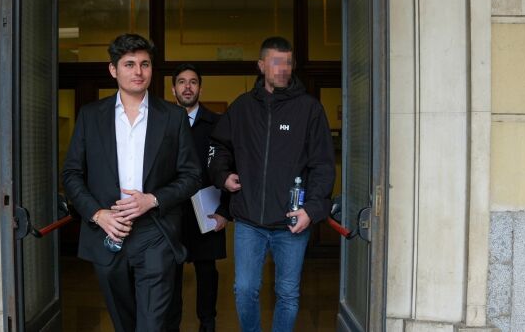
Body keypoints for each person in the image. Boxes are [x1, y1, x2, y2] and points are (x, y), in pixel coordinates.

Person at [61, 33, 201, 332]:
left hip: (155, 231)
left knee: (152, 324)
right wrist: (98, 214)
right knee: (124, 323)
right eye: (129, 64)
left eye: (145, 64)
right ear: (113, 69)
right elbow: (71, 174)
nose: (138, 71)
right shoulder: (91, 116)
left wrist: (153, 199)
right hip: (107, 231)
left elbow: (192, 176)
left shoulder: (173, 117)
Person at [208, 36, 335, 332]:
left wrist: (311, 210)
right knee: (244, 290)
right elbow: (217, 145)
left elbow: (323, 165)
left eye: (288, 62)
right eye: (276, 62)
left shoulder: (309, 110)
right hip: (249, 221)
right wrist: (222, 175)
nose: (283, 68)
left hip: (291, 222)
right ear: (261, 65)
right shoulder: (242, 107)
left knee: (287, 294)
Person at [166, 64, 229, 332]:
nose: (187, 87)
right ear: (173, 89)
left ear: (200, 88)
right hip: (170, 212)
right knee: (170, 273)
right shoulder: (162, 123)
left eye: (193, 82)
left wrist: (225, 211)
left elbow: (229, 169)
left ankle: (207, 324)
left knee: (207, 273)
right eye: (182, 82)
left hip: (207, 210)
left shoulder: (217, 124)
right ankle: (172, 326)